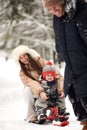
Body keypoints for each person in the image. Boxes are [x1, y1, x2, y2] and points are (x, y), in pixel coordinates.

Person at [42, 0, 87, 129]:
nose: (53, 11)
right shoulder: (58, 18)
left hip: (84, 65)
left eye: (54, 6)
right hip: (72, 66)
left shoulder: (82, 13)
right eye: (49, 9)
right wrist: (60, 54)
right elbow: (59, 39)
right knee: (76, 99)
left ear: (63, 2)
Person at [12, 45, 68, 123]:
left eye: (24, 55)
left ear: (29, 54)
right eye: (20, 58)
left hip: (50, 86)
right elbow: (30, 82)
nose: (24, 59)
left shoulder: (39, 61)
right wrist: (41, 91)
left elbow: (58, 75)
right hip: (36, 90)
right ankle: (32, 115)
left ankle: (59, 111)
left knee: (57, 88)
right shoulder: (22, 72)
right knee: (27, 90)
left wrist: (61, 90)